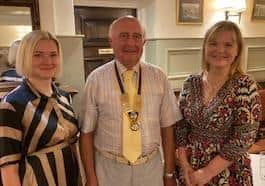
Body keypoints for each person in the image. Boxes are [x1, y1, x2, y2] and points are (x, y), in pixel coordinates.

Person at [79, 15, 181, 186]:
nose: (131, 43)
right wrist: (90, 177)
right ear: (111, 41)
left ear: (144, 42)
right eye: (123, 36)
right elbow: (86, 133)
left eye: (136, 37)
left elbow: (168, 128)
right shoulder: (95, 79)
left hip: (150, 169)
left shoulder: (159, 77)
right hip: (109, 169)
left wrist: (169, 174)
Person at [175, 21, 261, 186]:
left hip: (229, 172)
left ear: (237, 51)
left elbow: (243, 138)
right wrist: (184, 164)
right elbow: (181, 126)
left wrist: (206, 173)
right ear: (205, 47)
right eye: (213, 43)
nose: (220, 50)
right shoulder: (190, 82)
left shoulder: (245, 85)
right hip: (190, 170)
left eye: (228, 45)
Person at [0, 30, 79, 186]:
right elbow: (9, 168)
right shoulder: (11, 104)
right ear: (24, 58)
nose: (47, 61)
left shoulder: (64, 96)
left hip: (70, 178)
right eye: (37, 55)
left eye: (53, 54)